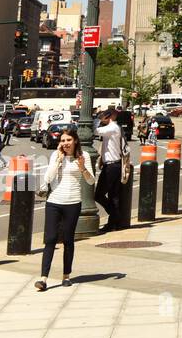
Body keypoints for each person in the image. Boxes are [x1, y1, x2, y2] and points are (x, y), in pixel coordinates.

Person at [36, 126, 95, 291]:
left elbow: (91, 182)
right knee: (50, 238)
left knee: (68, 240)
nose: (65, 143)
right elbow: (48, 178)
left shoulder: (84, 156)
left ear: (75, 140)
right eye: (62, 140)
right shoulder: (56, 155)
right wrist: (58, 161)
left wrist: (82, 167)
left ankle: (66, 275)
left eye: (68, 140)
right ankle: (43, 278)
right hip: (54, 201)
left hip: (73, 202)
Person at [94, 109, 125, 232]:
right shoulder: (114, 128)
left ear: (109, 117)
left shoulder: (112, 128)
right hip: (115, 165)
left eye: (105, 116)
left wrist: (98, 119)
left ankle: (115, 216)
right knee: (114, 196)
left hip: (112, 166)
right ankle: (114, 223)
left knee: (98, 195)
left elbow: (96, 130)